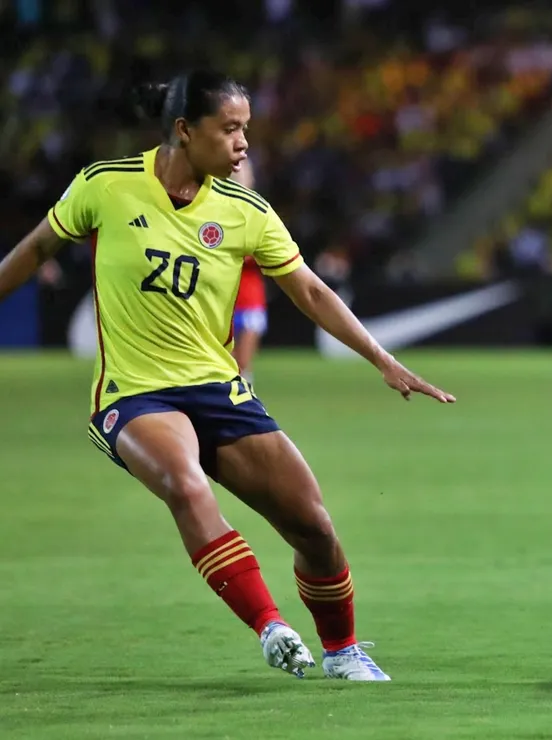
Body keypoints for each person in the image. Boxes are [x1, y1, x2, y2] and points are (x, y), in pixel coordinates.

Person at [0, 70, 455, 680]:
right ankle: (271, 626)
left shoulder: (246, 213)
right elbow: (33, 251)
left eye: (247, 130)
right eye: (231, 129)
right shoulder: (104, 186)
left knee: (314, 527)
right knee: (187, 486)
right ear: (185, 131)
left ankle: (343, 651)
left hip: (219, 389)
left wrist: (382, 359)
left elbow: (313, 294)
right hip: (134, 394)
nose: (245, 144)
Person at [228, 158, 268, 385]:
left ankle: (245, 399)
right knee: (225, 364)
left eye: (244, 173)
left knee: (243, 361)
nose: (239, 177)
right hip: (223, 302)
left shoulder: (259, 213)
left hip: (251, 300)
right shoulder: (214, 209)